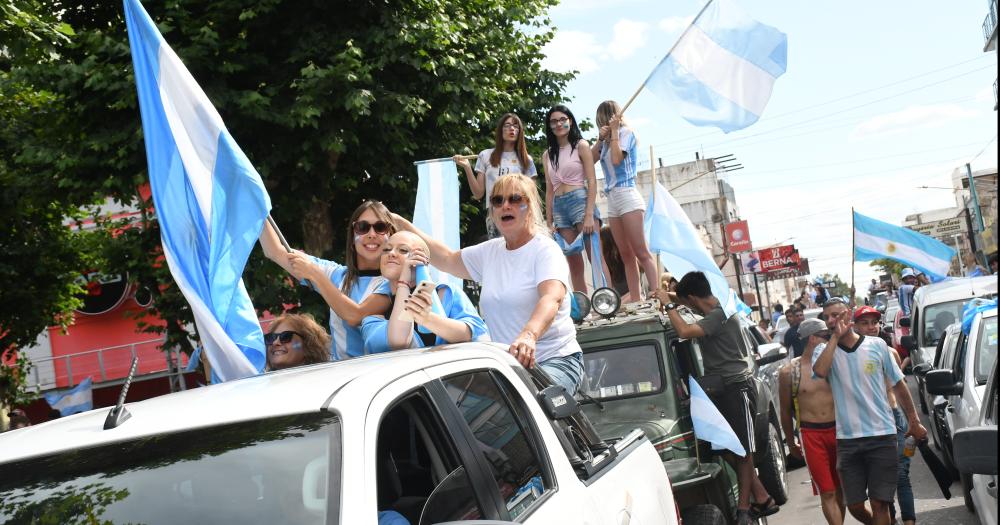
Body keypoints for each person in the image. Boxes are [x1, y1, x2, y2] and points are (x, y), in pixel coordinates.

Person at [392, 174, 584, 395]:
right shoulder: (489, 252)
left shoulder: (545, 250)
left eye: (514, 199)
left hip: (556, 361)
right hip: (509, 368)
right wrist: (400, 224)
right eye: (497, 201)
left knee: (530, 404)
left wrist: (529, 335)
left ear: (529, 207)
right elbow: (445, 259)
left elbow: (552, 298)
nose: (505, 206)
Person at [658, 272, 778, 524]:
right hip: (719, 388)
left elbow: (684, 330)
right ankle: (762, 496)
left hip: (738, 387)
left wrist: (669, 304)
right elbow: (685, 303)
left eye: (685, 302)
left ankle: (744, 509)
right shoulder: (712, 310)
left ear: (692, 298)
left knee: (742, 450)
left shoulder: (720, 315)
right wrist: (666, 295)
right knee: (722, 446)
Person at [812, 298, 928, 525]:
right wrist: (835, 337)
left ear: (848, 315)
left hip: (882, 436)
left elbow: (899, 384)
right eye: (826, 317)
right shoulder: (823, 351)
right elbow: (821, 372)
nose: (830, 320)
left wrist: (913, 421)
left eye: (835, 315)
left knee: (879, 503)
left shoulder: (877, 346)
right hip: (847, 441)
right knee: (854, 505)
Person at [260, 201, 394, 360]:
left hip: (380, 377)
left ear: (390, 236)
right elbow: (274, 251)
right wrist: (257, 203)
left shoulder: (394, 282)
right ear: (352, 237)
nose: (372, 234)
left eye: (380, 227)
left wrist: (316, 275)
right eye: (362, 227)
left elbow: (355, 315)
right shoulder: (336, 274)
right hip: (340, 375)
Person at [361, 231, 488, 353]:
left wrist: (427, 319)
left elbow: (470, 333)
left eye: (403, 250)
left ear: (423, 261)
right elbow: (399, 341)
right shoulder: (374, 314)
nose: (392, 253)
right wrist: (404, 283)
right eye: (386, 249)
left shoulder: (447, 293)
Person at [778, 318, 845, 525]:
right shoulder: (789, 372)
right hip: (811, 435)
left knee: (842, 489)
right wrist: (790, 442)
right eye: (826, 336)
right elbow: (785, 410)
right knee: (827, 491)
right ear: (813, 339)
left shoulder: (836, 363)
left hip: (841, 432)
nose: (830, 340)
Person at [590, 100, 659, 302]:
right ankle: (637, 300)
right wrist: (600, 138)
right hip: (612, 198)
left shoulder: (627, 133)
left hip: (628, 193)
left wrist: (613, 134)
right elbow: (591, 159)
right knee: (625, 254)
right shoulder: (604, 141)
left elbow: (617, 159)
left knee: (641, 251)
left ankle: (656, 295)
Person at [854, 306, 915, 525]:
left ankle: (909, 520)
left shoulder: (889, 352)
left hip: (894, 418)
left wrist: (913, 421)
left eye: (874, 323)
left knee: (900, 475)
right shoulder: (848, 356)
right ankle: (891, 519)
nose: (871, 328)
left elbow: (901, 387)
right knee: (878, 481)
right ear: (855, 327)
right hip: (867, 424)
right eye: (864, 323)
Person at [542, 105, 601, 294]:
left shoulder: (581, 145)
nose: (558, 124)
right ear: (549, 126)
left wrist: (589, 214)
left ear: (570, 121)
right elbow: (549, 189)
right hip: (559, 208)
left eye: (562, 119)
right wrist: (549, 220)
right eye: (553, 121)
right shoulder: (547, 154)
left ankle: (605, 304)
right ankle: (583, 308)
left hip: (580, 201)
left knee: (595, 257)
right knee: (573, 263)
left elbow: (592, 180)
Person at [453, 113, 538, 239]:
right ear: (500, 130)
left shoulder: (526, 159)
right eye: (507, 125)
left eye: (516, 126)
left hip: (519, 213)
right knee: (498, 251)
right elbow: (478, 194)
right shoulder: (485, 155)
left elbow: (532, 195)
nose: (512, 129)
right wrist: (467, 167)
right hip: (496, 213)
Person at [264, 313, 332, 371]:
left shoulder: (326, 380)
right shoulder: (259, 384)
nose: (275, 342)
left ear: (307, 343)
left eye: (286, 336)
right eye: (271, 338)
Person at [600, 225, 630, 298]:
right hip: (618, 303)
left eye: (600, 242)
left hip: (632, 299)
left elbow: (634, 293)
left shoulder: (627, 261)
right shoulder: (607, 265)